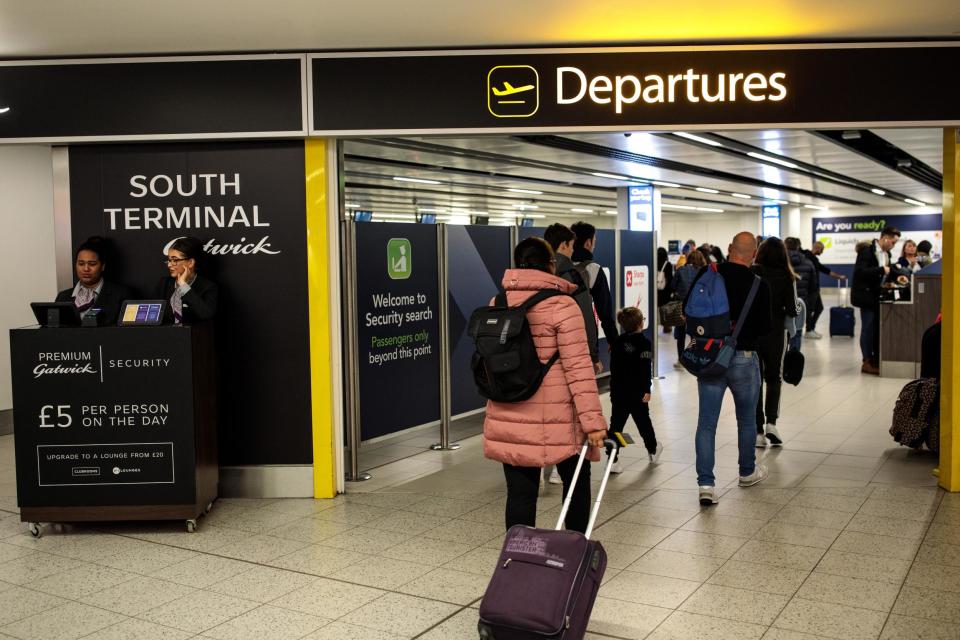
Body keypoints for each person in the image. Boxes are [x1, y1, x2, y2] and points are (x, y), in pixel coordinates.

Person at [483, 237, 608, 533]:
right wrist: (593, 423)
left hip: (509, 412)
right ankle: (573, 551)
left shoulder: (497, 303)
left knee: (520, 494)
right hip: (560, 420)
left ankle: (518, 559)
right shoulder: (562, 305)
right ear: (551, 265)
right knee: (576, 485)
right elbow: (578, 369)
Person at [684, 232, 772, 505]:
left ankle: (706, 485)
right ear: (754, 254)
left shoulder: (707, 274)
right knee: (746, 420)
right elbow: (765, 328)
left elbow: (689, 311)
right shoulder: (759, 284)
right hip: (744, 357)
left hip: (710, 357)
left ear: (731, 249)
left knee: (706, 423)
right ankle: (746, 471)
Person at [543, 223, 602, 486]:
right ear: (565, 246)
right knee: (566, 415)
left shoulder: (526, 276)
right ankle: (561, 466)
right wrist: (592, 355)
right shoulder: (574, 276)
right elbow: (586, 320)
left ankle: (543, 465)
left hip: (536, 366)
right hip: (566, 360)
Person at [751, 237, 798, 448]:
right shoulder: (787, 276)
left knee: (755, 379)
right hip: (776, 332)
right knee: (774, 377)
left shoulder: (753, 272)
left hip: (753, 333)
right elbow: (792, 309)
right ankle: (772, 423)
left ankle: (758, 430)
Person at [608, 307, 663, 473]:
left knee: (616, 425)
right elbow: (645, 368)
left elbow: (615, 368)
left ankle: (613, 459)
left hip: (618, 392)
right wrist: (647, 389)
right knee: (643, 422)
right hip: (637, 393)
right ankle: (652, 450)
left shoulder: (617, 342)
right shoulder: (644, 343)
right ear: (640, 324)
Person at [852, 226, 901, 375]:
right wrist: (881, 270)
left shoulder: (887, 254)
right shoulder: (866, 251)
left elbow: (882, 274)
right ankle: (866, 361)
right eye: (893, 242)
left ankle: (874, 358)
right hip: (866, 296)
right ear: (885, 237)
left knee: (875, 329)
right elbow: (860, 272)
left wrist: (889, 280)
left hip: (877, 295)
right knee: (867, 328)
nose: (894, 245)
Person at [55, 236, 131, 326]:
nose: (86, 269)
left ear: (102, 266)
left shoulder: (120, 295)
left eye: (92, 264)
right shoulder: (63, 297)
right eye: (81, 264)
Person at [570, 222, 618, 346]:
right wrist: (614, 342)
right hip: (583, 336)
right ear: (588, 243)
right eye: (594, 241)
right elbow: (605, 313)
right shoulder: (593, 269)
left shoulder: (556, 267)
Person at [156, 236, 218, 324]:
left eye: (174, 260)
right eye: (169, 260)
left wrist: (183, 286)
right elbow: (153, 315)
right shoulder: (164, 283)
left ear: (190, 262)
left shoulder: (208, 287)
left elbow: (206, 314)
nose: (169, 265)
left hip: (193, 336)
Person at [802, 241, 848, 338]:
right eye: (822, 250)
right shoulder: (808, 257)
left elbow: (825, 270)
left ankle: (810, 329)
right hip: (810, 289)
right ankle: (809, 330)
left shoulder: (813, 259)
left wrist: (839, 277)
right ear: (818, 248)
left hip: (814, 289)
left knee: (818, 308)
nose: (822, 252)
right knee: (811, 309)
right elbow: (824, 270)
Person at [671, 248, 708, 368]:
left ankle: (681, 359)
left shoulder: (681, 270)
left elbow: (672, 286)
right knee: (695, 334)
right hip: (698, 308)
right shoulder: (704, 272)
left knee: (680, 334)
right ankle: (694, 357)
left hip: (681, 306)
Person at [785, 237, 816, 341]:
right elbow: (813, 288)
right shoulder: (808, 263)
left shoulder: (779, 264)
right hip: (801, 304)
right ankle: (795, 355)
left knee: (784, 335)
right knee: (797, 332)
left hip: (783, 306)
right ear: (798, 246)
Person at [657, 247, 675, 333]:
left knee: (656, 309)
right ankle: (667, 327)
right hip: (665, 291)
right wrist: (671, 291)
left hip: (656, 291)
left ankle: (655, 325)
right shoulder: (668, 265)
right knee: (667, 310)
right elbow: (670, 279)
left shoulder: (653, 263)